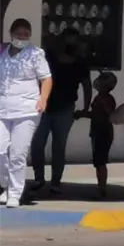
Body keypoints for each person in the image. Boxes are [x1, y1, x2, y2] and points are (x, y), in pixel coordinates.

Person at [30, 28, 91, 193]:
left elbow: (87, 85)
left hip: (65, 108)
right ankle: (39, 179)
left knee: (59, 146)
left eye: (74, 40)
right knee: (37, 144)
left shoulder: (80, 63)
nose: (70, 44)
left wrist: (86, 107)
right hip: (44, 107)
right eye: (68, 40)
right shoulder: (49, 58)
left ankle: (55, 182)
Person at [0, 19, 52, 208]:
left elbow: (46, 78)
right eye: (19, 33)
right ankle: (5, 185)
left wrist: (43, 99)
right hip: (2, 108)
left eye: (26, 34)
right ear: (11, 33)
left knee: (17, 152)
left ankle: (14, 192)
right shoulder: (2, 52)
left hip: (27, 109)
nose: (22, 37)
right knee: (0, 150)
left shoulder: (36, 54)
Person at [76, 72, 117, 198]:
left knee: (101, 161)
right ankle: (100, 186)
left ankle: (102, 187)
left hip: (103, 132)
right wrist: (83, 114)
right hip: (96, 131)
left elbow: (110, 114)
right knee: (98, 161)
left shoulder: (107, 99)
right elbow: (95, 114)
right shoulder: (98, 98)